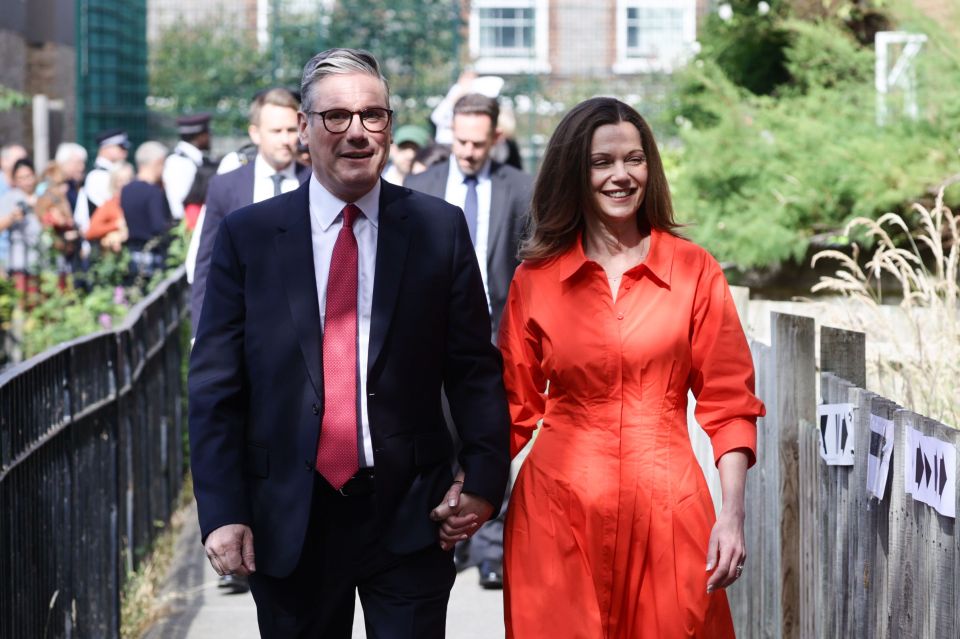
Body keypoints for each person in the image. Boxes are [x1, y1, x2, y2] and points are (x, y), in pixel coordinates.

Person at [188, 47, 510, 638]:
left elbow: (473, 369)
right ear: (306, 128)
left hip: (415, 514)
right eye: (336, 116)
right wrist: (223, 512)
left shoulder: (438, 228)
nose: (356, 132)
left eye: (373, 115)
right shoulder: (250, 236)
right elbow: (215, 385)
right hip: (289, 515)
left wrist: (486, 480)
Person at [495, 97, 765, 637]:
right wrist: (465, 489)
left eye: (634, 159)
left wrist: (731, 515)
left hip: (670, 508)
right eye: (602, 162)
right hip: (556, 513)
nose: (621, 175)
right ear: (576, 171)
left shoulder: (694, 271)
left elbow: (730, 402)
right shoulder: (537, 279)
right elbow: (510, 407)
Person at [405, 92, 531, 589]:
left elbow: (530, 263)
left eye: (479, 143)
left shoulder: (521, 188)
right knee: (439, 437)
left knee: (490, 438)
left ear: (496, 138)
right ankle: (445, 535)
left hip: (499, 334)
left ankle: (491, 549)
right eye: (460, 141)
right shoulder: (420, 186)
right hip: (430, 338)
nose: (469, 151)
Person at [188, 87, 310, 341]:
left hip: (304, 330)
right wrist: (200, 336)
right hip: (244, 327)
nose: (286, 139)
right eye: (276, 131)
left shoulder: (316, 182)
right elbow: (206, 264)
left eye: (291, 130)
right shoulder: (226, 187)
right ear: (255, 133)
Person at [123, 141, 174, 279]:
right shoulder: (154, 192)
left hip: (131, 253)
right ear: (158, 162)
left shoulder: (126, 190)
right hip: (152, 255)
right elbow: (159, 226)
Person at [74, 128, 130, 237]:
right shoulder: (98, 176)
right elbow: (109, 211)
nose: (125, 151)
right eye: (120, 147)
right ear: (106, 148)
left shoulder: (109, 172)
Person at [0, 159, 43, 294]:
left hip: (44, 262)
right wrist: (12, 217)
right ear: (15, 180)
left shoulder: (44, 195)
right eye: (21, 178)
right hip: (20, 262)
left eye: (29, 176)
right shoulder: (10, 198)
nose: (26, 181)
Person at [163, 113, 216, 225]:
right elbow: (178, 206)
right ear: (200, 136)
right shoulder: (179, 162)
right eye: (208, 134)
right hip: (187, 228)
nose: (210, 138)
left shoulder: (197, 160)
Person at [86, 162, 133, 254]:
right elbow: (91, 231)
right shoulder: (110, 205)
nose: (125, 184)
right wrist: (115, 225)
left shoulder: (137, 202)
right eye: (120, 180)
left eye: (128, 179)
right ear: (114, 183)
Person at [53, 142, 88, 210]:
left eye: (83, 163)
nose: (82, 167)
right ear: (64, 163)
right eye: (78, 163)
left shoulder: (76, 184)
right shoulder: (51, 183)